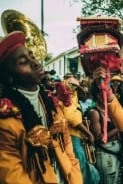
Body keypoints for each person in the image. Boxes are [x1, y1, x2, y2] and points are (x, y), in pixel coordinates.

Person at [0, 31, 82, 183]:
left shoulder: (51, 104)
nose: (35, 63)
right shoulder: (5, 119)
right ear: (9, 76)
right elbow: (12, 176)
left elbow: (68, 147)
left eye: (31, 56)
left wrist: (76, 178)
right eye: (23, 62)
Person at [86, 81, 122, 184]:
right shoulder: (94, 113)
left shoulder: (110, 110)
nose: (112, 95)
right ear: (99, 95)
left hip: (115, 152)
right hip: (105, 153)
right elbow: (100, 138)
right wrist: (119, 128)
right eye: (108, 92)